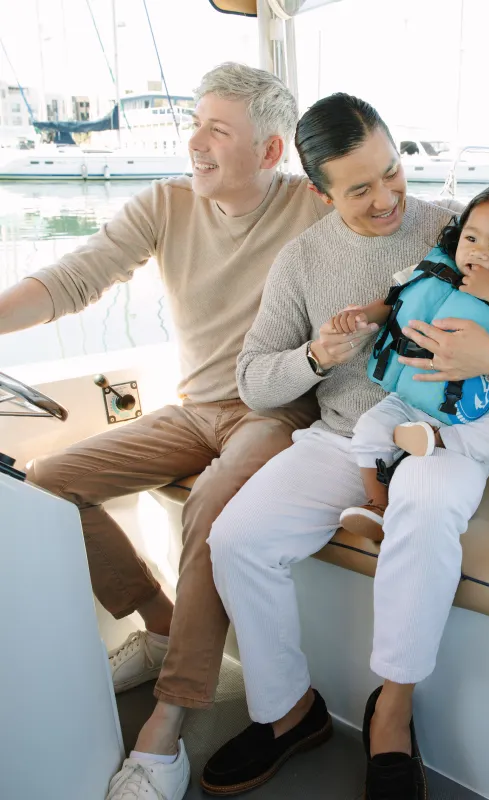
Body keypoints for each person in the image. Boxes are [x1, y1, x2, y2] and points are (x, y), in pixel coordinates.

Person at [201, 94, 489, 800]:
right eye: (360, 189)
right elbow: (253, 381)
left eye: (393, 172)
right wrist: (315, 356)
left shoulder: (460, 232)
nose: (387, 200)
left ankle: (393, 711)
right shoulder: (303, 260)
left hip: (446, 438)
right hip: (348, 435)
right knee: (237, 539)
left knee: (427, 510)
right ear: (321, 192)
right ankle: (289, 712)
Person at [0, 63, 333, 800]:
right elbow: (73, 279)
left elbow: (410, 220)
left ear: (272, 151)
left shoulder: (313, 208)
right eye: (195, 123)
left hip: (275, 412)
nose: (196, 144)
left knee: (214, 501)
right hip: (195, 408)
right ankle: (158, 624)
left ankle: (172, 718)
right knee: (50, 483)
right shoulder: (166, 203)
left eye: (218, 129)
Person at [333, 181, 489, 540]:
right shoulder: (434, 270)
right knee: (367, 430)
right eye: (472, 239)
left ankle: (436, 439)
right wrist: (358, 316)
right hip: (406, 401)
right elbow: (393, 300)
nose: (478, 253)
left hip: (469, 417)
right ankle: (377, 504)